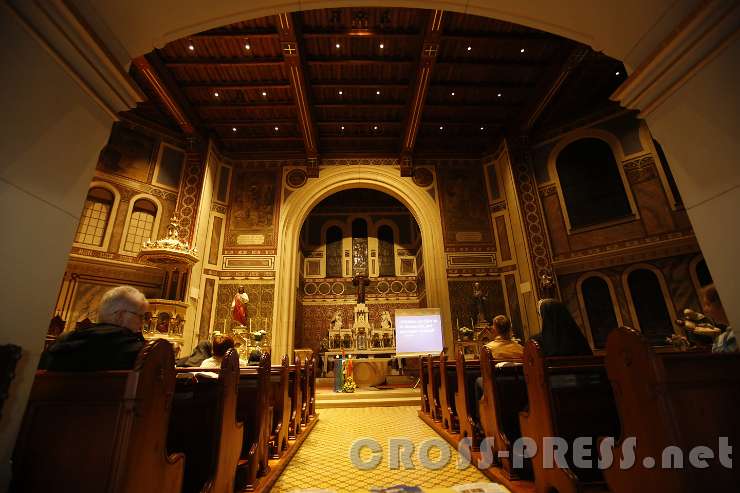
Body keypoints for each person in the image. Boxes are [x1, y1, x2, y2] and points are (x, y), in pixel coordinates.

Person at [39, 286, 148, 371]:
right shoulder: (136, 351)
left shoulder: (62, 341)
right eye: (140, 315)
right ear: (120, 315)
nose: (142, 321)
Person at [701, 285, 736, 353]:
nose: (705, 310)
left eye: (708, 304)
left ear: (722, 304)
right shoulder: (724, 336)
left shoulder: (727, 338)